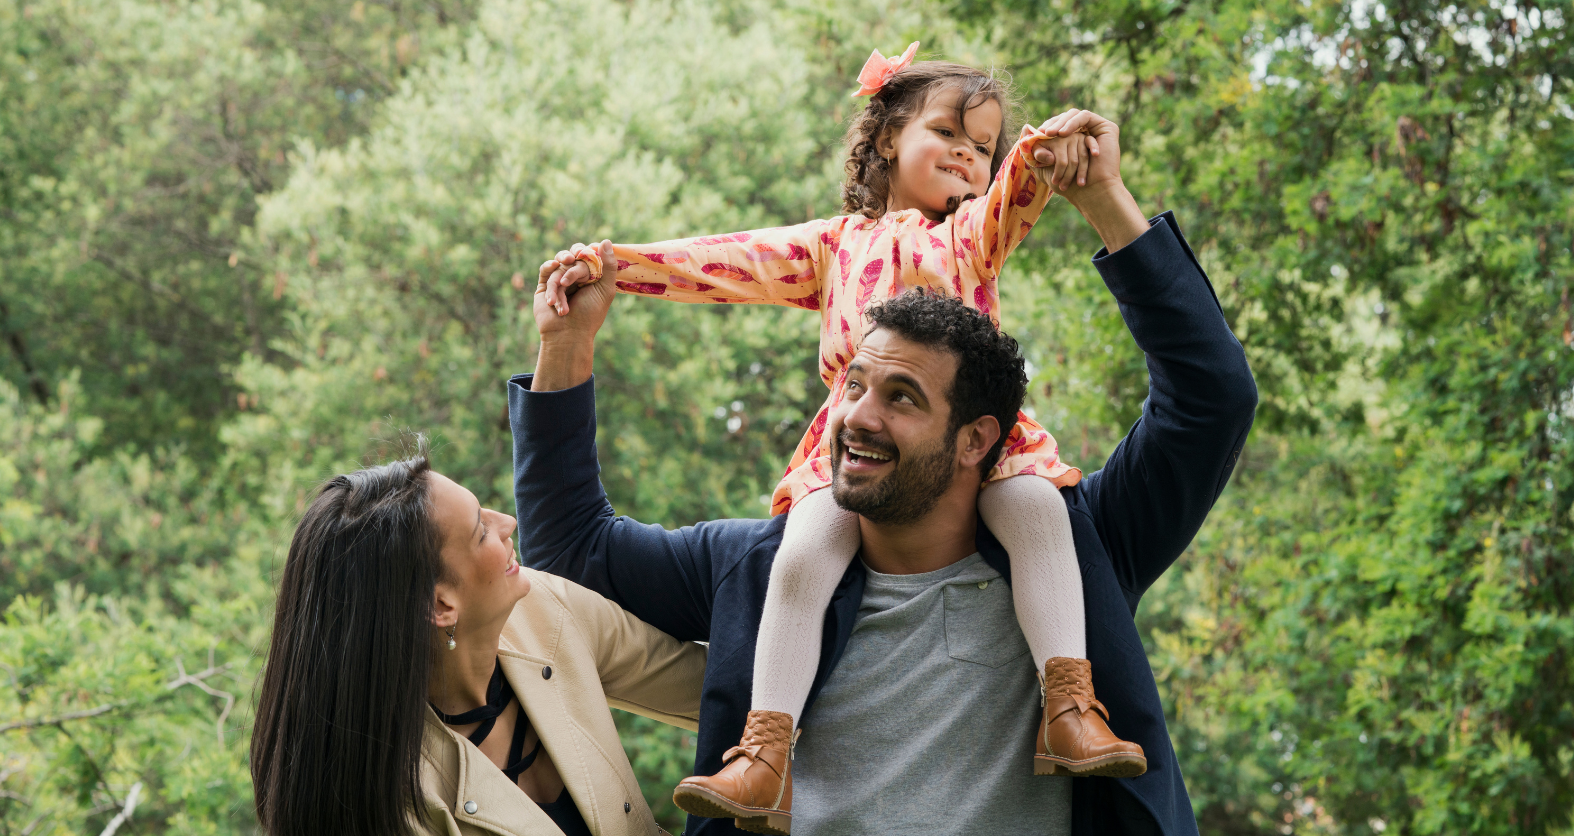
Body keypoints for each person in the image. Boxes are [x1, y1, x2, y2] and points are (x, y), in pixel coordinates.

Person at [514, 106, 1257, 836]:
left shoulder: (1081, 550)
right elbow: (574, 558)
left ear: (977, 440)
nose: (858, 418)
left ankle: (1069, 709)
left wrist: (1098, 196)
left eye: (901, 397)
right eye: (853, 387)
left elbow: (1211, 398)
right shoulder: (761, 571)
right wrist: (569, 343)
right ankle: (763, 758)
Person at [250, 443, 706, 836]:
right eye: (480, 530)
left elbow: (709, 686)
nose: (506, 521)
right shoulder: (394, 804)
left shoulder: (543, 609)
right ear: (440, 606)